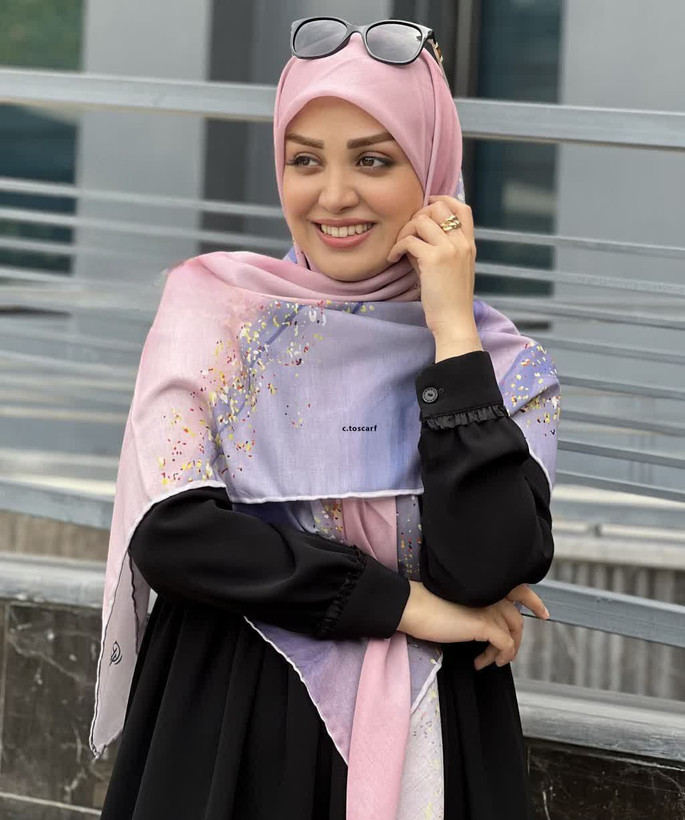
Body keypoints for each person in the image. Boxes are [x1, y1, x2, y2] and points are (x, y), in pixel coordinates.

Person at [91, 17, 561, 820]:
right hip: (227, 727)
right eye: (304, 160)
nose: (333, 196)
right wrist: (408, 605)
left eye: (373, 160)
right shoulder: (218, 321)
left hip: (433, 737)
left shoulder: (503, 366)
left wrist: (450, 334)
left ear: (434, 174)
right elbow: (174, 535)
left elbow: (485, 567)